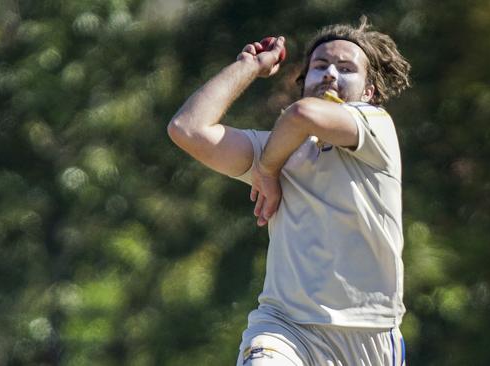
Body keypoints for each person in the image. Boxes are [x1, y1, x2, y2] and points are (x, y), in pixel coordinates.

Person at [168, 16, 411, 366]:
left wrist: (266, 169)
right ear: (304, 81)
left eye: (346, 69)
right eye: (320, 66)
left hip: (368, 336)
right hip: (285, 329)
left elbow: (301, 115)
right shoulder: (277, 149)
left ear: (369, 93)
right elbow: (187, 128)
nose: (330, 74)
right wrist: (247, 66)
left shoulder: (376, 128)